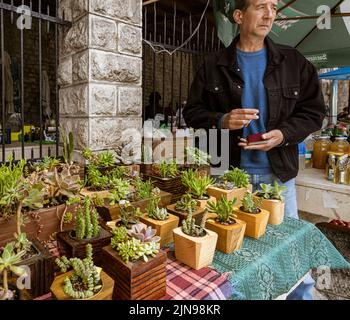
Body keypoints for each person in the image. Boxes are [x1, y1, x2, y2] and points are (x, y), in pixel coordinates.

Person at [183, 0, 326, 300]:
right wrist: (222, 120)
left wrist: (283, 135)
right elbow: (192, 113)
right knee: (232, 254)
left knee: (291, 252)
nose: (270, 13)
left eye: (273, 7)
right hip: (230, 180)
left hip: (279, 178)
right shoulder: (212, 65)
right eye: (261, 6)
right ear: (238, 16)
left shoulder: (293, 61)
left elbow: (314, 112)